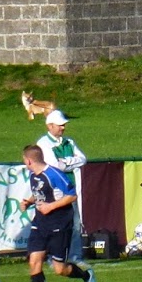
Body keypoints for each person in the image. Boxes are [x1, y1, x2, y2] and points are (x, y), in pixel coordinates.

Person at [21, 144, 96, 282]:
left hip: (59, 224)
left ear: (29, 160)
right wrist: (29, 201)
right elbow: (39, 192)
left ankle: (86, 276)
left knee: (59, 269)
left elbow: (72, 195)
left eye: (24, 161)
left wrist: (50, 207)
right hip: (40, 223)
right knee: (34, 261)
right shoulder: (34, 175)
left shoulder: (54, 174)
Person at [36, 108, 90, 266]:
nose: (63, 128)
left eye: (64, 125)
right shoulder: (43, 144)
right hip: (53, 190)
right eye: (60, 125)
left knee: (74, 223)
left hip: (69, 189)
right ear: (50, 126)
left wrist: (65, 162)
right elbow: (54, 165)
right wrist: (70, 162)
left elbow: (83, 159)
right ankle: (53, 257)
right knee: (54, 225)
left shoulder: (70, 142)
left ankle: (75, 256)